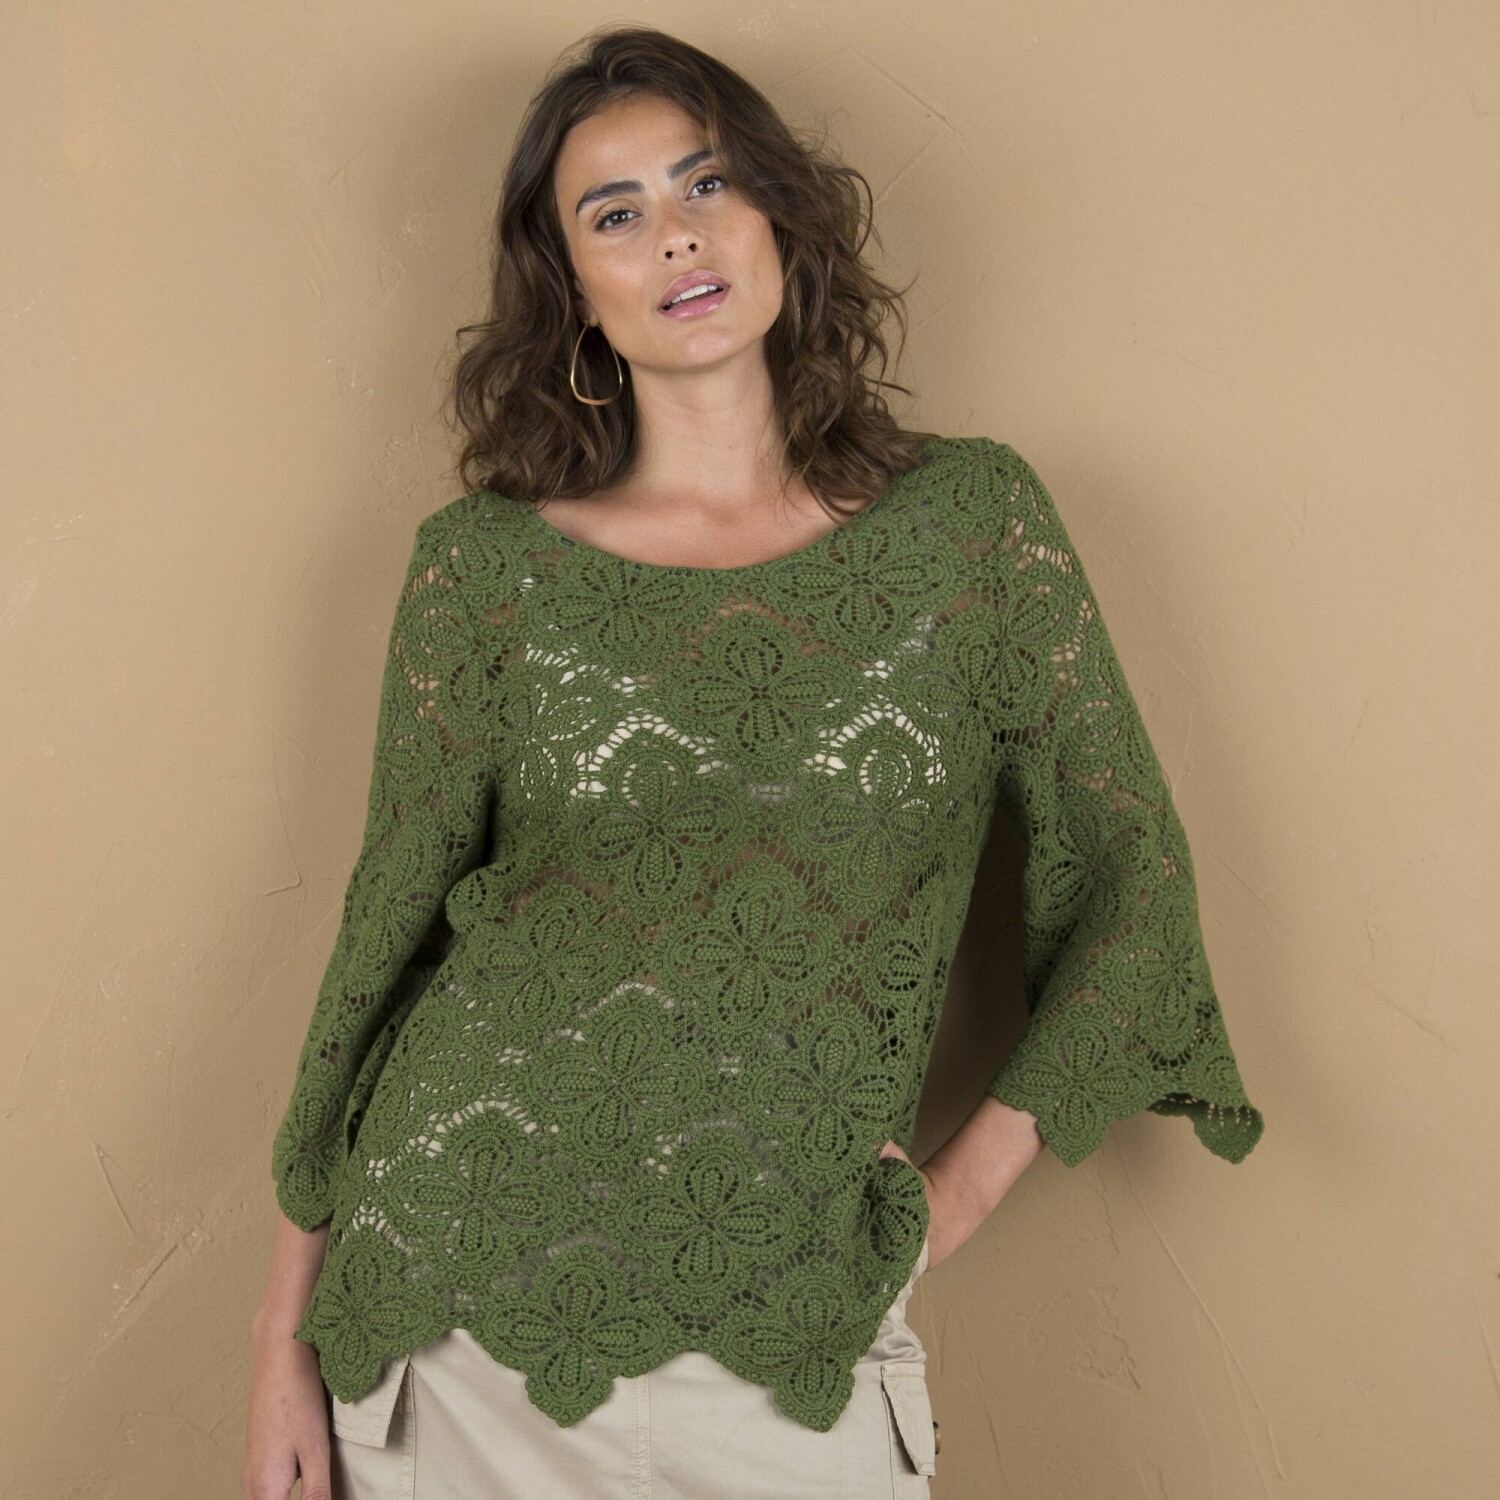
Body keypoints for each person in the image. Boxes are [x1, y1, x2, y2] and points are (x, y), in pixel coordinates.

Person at [242, 24, 1264, 1500]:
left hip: (794, 1338)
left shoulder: (974, 530)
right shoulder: (482, 572)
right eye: (616, 213)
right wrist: (280, 1328)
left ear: (780, 212)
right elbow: (380, 942)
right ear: (574, 290)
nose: (676, 235)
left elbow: (1137, 896)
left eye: (706, 182)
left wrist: (945, 1205)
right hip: (447, 1319)